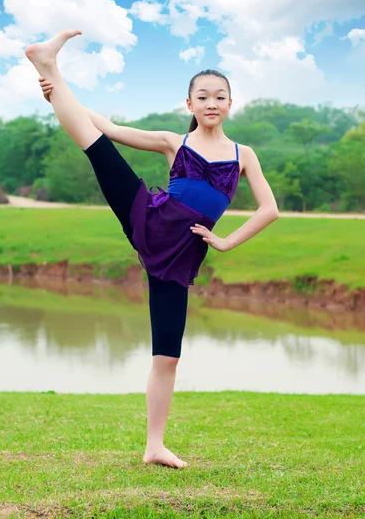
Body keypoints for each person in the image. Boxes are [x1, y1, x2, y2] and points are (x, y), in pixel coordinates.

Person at [25, 29, 279, 470]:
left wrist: (224, 241)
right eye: (203, 97)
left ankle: (154, 446)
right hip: (151, 218)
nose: (212, 103)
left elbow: (270, 209)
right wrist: (58, 95)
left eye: (220, 96)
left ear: (230, 104)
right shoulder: (173, 141)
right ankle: (48, 64)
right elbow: (109, 128)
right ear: (190, 105)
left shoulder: (244, 154)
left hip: (180, 257)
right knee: (98, 148)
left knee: (168, 356)